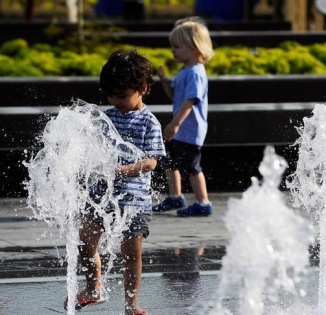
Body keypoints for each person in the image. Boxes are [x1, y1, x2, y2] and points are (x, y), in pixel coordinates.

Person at [64, 50, 166, 315]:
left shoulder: (149, 122)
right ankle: (94, 286)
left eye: (121, 96)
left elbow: (152, 162)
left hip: (134, 201)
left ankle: (131, 305)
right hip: (102, 195)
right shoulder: (105, 117)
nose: (114, 101)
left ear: (142, 89)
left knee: (131, 254)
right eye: (110, 96)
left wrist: (125, 169)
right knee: (85, 239)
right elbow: (91, 149)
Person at [152, 16, 214, 217]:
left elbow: (190, 101)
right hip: (180, 129)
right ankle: (175, 196)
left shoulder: (195, 72)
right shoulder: (185, 71)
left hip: (189, 129)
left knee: (192, 166)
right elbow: (175, 96)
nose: (173, 51)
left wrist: (175, 124)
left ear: (194, 47)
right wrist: (164, 83)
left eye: (177, 47)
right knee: (169, 160)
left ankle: (203, 202)